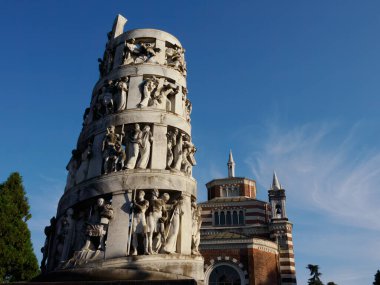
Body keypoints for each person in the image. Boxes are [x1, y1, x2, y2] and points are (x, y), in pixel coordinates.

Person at [130, 191, 149, 255]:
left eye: (140, 194)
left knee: (145, 233)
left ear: (143, 195)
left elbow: (142, 209)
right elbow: (131, 210)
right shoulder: (136, 202)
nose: (138, 195)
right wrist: (132, 205)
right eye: (138, 194)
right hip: (135, 217)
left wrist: (135, 204)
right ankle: (135, 250)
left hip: (142, 217)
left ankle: (146, 250)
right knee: (134, 234)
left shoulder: (146, 201)